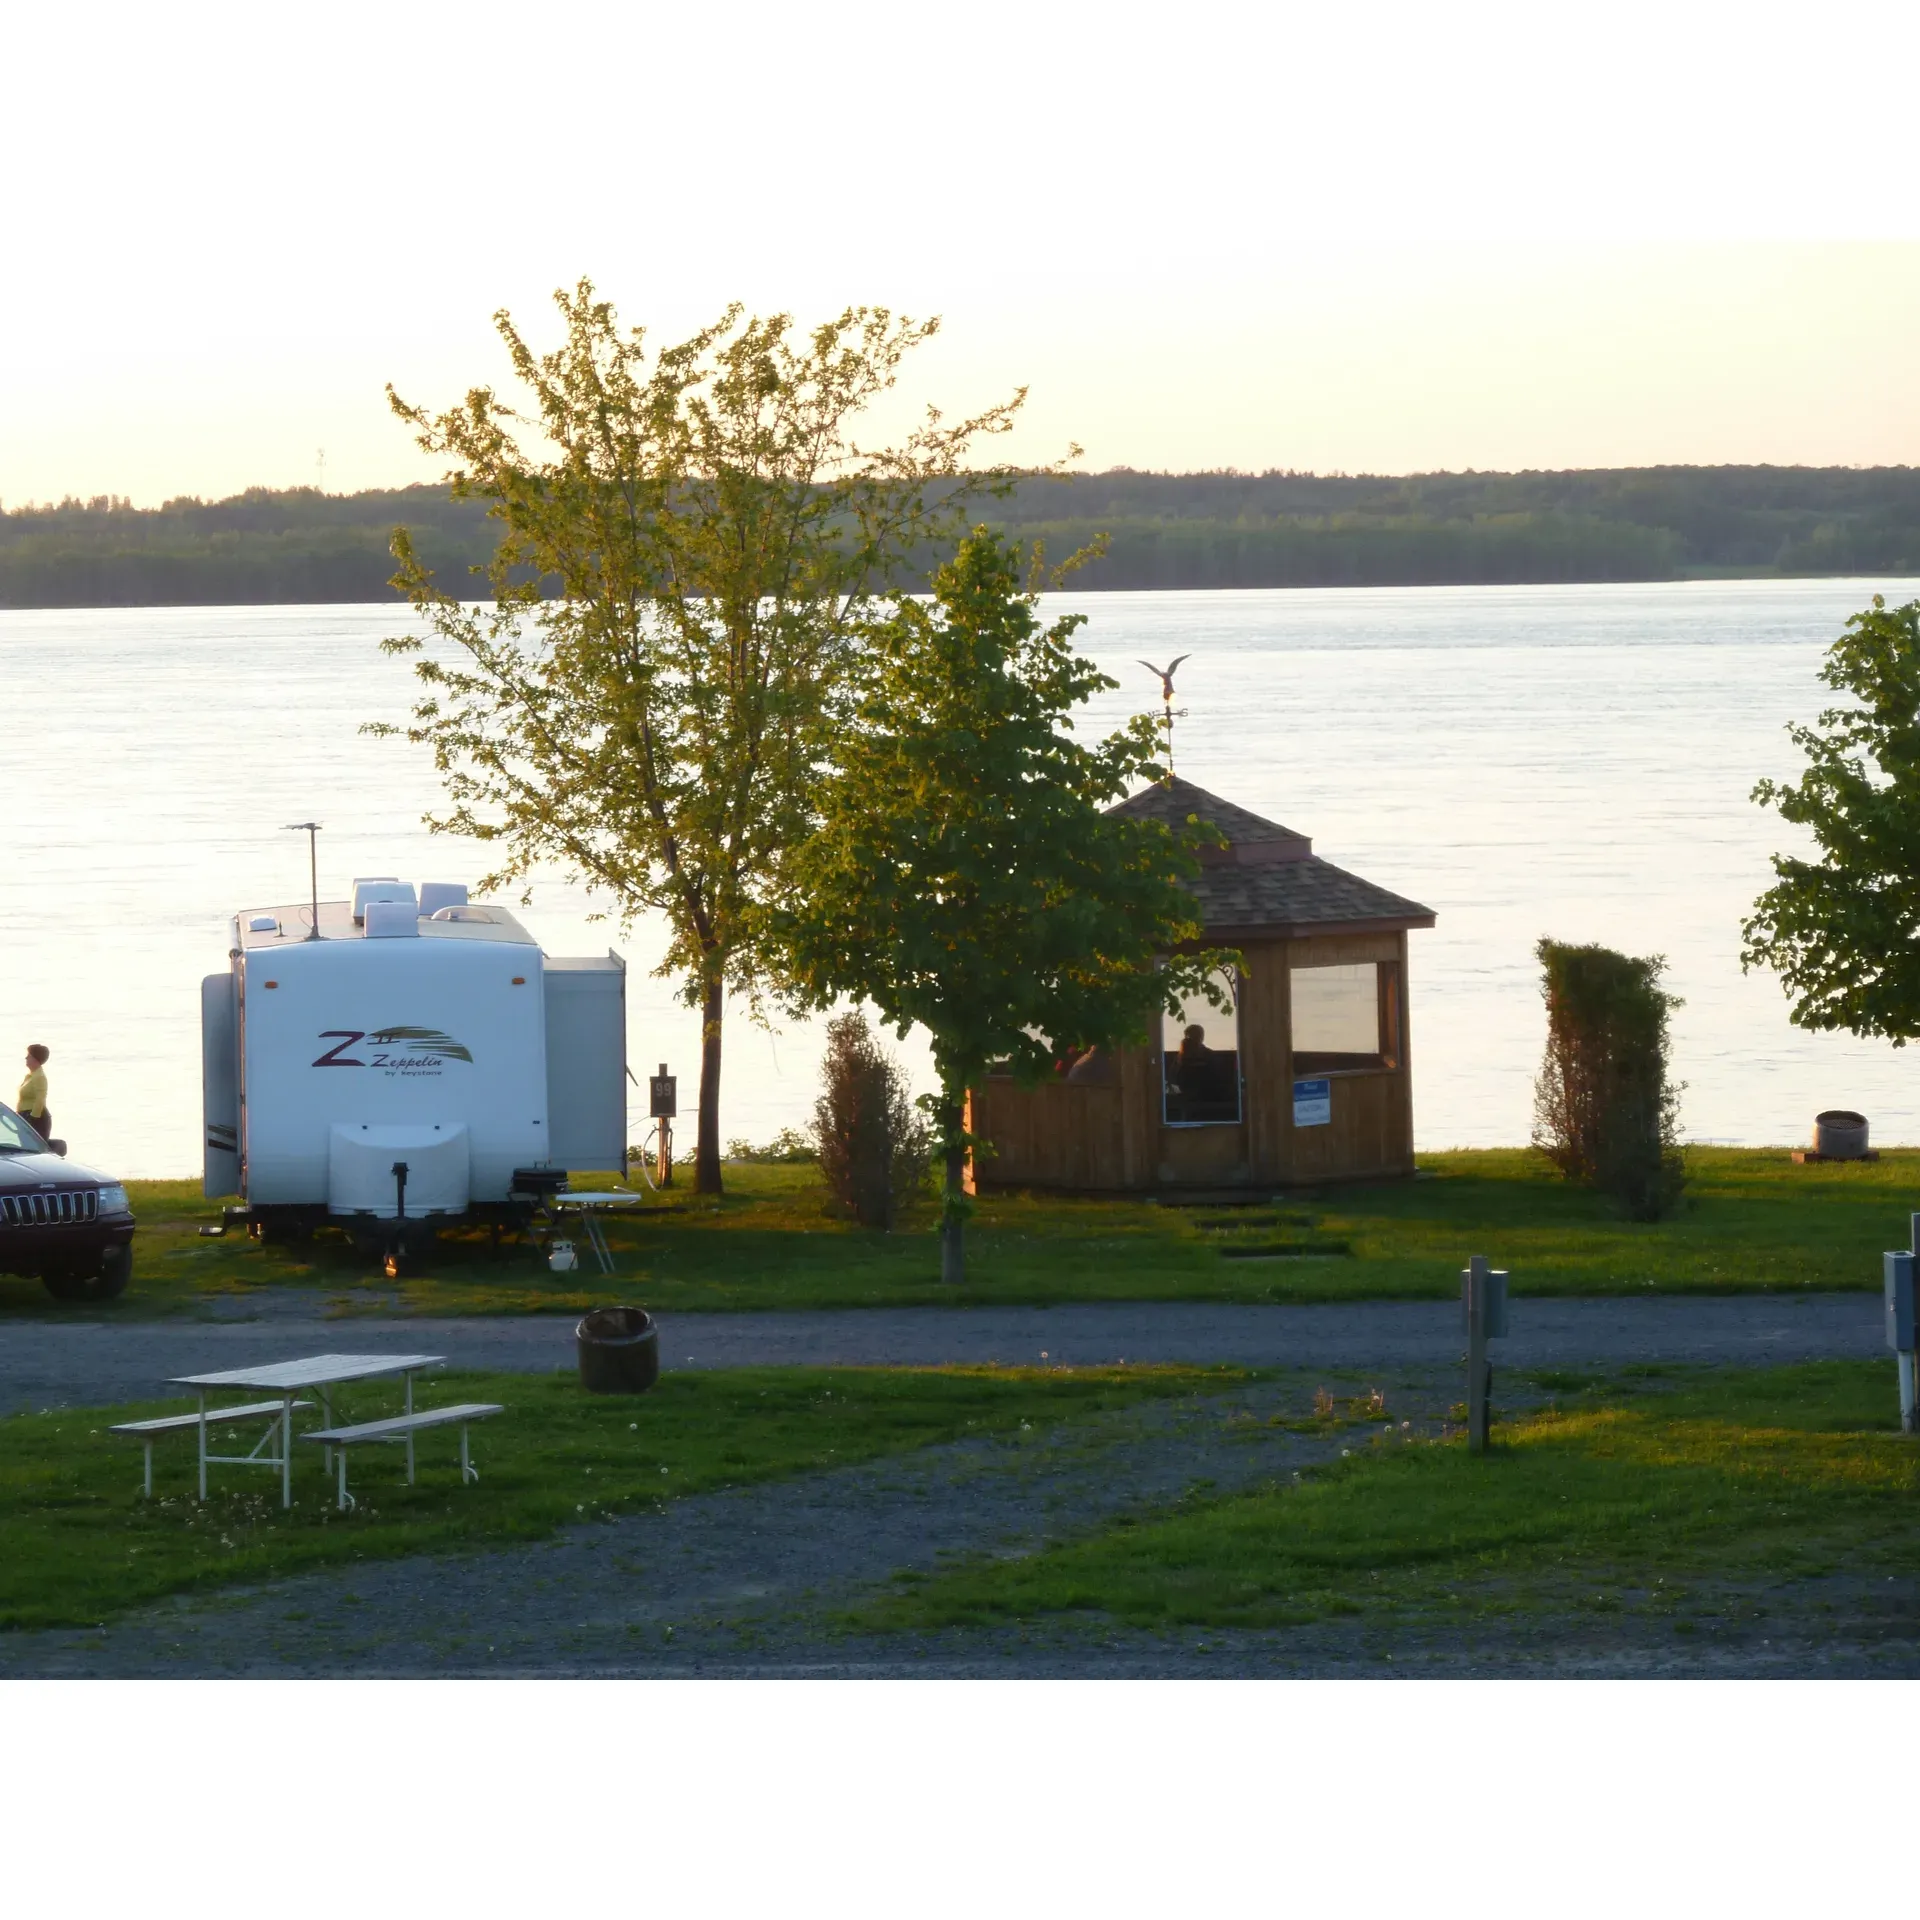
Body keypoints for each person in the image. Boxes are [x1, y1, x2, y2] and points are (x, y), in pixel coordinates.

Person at [17, 1044, 51, 1142]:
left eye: (29, 1056)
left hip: (35, 1117)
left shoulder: (39, 1076)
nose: (26, 1057)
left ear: (36, 1059)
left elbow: (40, 1099)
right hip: (25, 1115)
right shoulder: (30, 1076)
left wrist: (32, 1119)